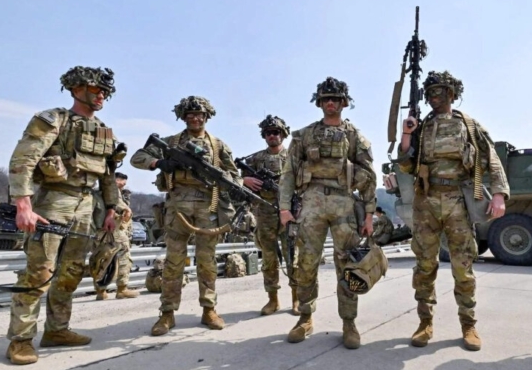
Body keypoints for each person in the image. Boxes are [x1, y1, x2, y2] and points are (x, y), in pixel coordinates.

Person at [5, 66, 121, 365]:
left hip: (86, 206)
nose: (102, 96)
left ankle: (57, 330)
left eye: (105, 91)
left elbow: (108, 175)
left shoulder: (105, 130)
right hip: (53, 202)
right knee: (38, 274)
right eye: (96, 90)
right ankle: (21, 340)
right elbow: (24, 158)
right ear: (76, 89)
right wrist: (23, 204)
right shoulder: (54, 119)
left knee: (70, 273)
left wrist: (111, 209)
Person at [397, 71, 509, 350]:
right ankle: (425, 322)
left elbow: (489, 157)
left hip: (458, 199)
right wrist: (407, 135)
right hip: (427, 201)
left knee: (463, 265)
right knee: (424, 264)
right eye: (431, 92)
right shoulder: (421, 127)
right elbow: (406, 165)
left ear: (453, 94)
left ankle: (468, 324)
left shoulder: (468, 124)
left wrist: (498, 194)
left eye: (441, 91)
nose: (435, 97)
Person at [278, 77, 376, 349]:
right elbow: (287, 174)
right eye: (325, 99)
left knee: (348, 265)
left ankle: (349, 322)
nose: (330, 102)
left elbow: (368, 177)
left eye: (335, 98)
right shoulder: (303, 135)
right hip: (311, 203)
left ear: (344, 102)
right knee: (306, 263)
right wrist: (285, 208)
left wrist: (369, 214)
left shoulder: (355, 136)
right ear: (319, 102)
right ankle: (305, 317)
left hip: (344, 204)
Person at [131, 96, 239, 336]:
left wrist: (228, 183)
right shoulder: (171, 142)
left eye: (200, 115)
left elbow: (233, 175)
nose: (195, 119)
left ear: (207, 116)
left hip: (207, 206)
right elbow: (137, 158)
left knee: (207, 261)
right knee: (173, 262)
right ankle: (167, 313)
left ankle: (209, 309)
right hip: (177, 206)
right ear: (183, 117)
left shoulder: (218, 145)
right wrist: (160, 162)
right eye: (190, 115)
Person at [241, 115, 299, 316]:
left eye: (275, 132)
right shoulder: (256, 159)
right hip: (265, 213)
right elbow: (234, 175)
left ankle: (296, 299)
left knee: (293, 256)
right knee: (269, 258)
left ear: (283, 134)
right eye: (268, 133)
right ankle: (272, 300)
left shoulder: (293, 157)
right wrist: (244, 180)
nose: (272, 136)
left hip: (290, 213)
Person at [93, 172, 138, 300]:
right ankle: (122, 289)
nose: (123, 186)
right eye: (122, 183)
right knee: (124, 256)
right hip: (114, 230)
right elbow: (117, 204)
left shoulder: (98, 191)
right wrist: (127, 209)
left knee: (101, 259)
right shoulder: (112, 190)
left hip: (99, 231)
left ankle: (100, 291)